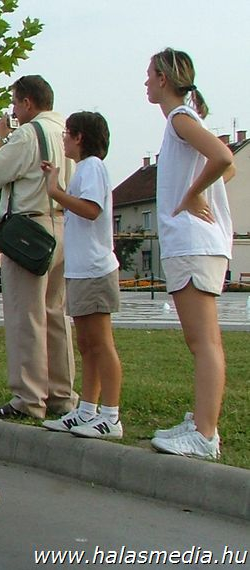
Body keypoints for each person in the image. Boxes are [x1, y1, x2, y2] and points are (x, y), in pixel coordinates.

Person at [145, 49, 234, 460]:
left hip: (195, 244)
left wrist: (195, 192)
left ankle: (204, 433)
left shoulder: (181, 118)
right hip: (198, 244)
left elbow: (224, 158)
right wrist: (201, 186)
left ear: (163, 78)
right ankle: (202, 423)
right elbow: (224, 167)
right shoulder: (183, 121)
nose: (145, 83)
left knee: (204, 344)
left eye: (149, 75)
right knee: (203, 342)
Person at [0, 75, 77, 420]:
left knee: (25, 316)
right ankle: (61, 393)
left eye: (15, 104)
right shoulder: (67, 131)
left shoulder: (28, 134)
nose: (14, 112)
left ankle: (29, 397)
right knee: (56, 314)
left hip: (30, 226)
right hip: (64, 223)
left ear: (27, 103)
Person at [40, 112, 124, 439]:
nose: (63, 139)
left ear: (79, 137)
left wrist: (55, 192)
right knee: (87, 345)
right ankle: (88, 410)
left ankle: (111, 415)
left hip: (95, 270)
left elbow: (91, 209)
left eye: (67, 134)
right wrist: (58, 185)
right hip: (81, 270)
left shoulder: (93, 168)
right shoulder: (84, 171)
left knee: (101, 344)